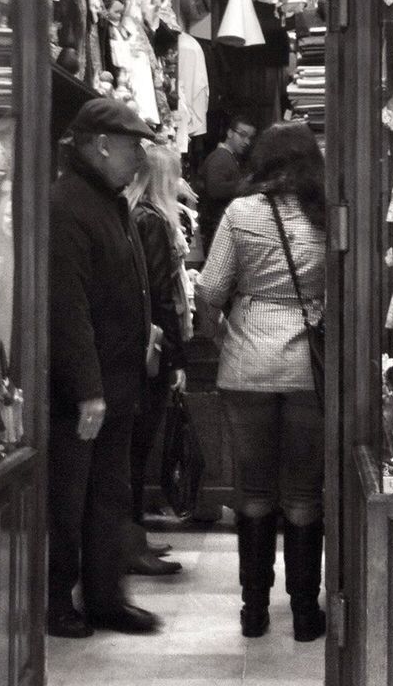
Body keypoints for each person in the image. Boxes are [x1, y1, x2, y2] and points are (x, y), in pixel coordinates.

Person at [195, 122, 326, 642]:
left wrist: (226, 330)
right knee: (302, 492)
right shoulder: (326, 217)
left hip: (247, 366)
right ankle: (304, 613)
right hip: (308, 374)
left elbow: (208, 289)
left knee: (252, 492)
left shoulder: (241, 213)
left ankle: (253, 611)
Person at [48, 97, 161, 638]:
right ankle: (57, 602)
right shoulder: (66, 204)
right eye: (133, 144)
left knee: (108, 498)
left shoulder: (108, 200)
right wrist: (87, 389)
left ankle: (105, 597)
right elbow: (67, 308)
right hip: (85, 392)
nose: (140, 155)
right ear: (100, 145)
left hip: (118, 382)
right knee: (69, 501)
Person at [125, 144, 192, 575]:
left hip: (142, 347)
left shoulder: (138, 216)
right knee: (135, 449)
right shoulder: (152, 221)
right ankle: (130, 544)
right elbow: (157, 293)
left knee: (134, 450)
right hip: (152, 349)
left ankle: (133, 539)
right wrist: (177, 357)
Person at [197, 115, 256, 252]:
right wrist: (248, 184)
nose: (246, 141)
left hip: (219, 227)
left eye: (250, 138)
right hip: (216, 228)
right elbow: (215, 189)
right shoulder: (221, 157)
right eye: (242, 135)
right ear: (230, 133)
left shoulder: (228, 157)